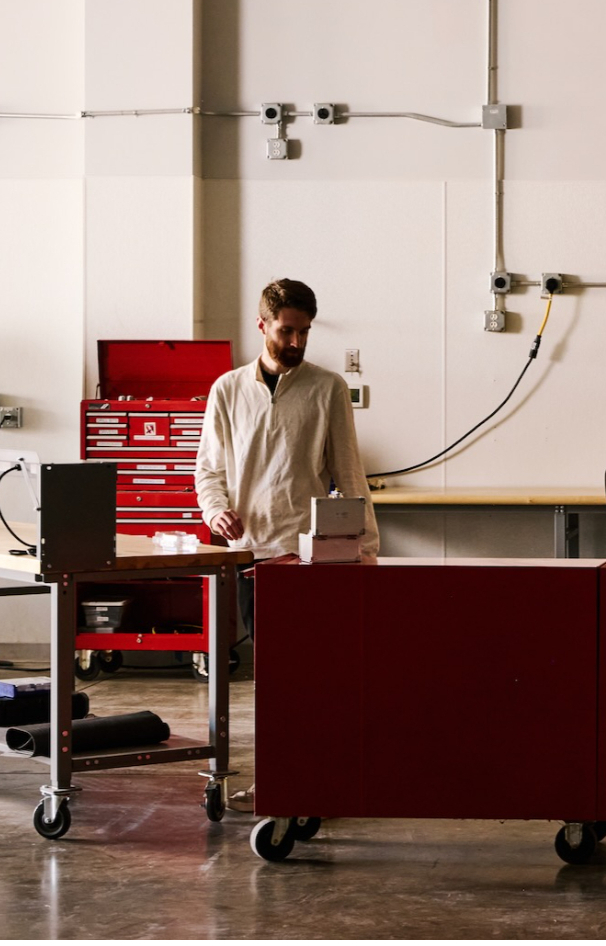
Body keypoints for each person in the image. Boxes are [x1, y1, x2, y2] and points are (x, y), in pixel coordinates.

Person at [194, 277, 377, 811]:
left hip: (312, 558)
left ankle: (322, 774)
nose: (296, 343)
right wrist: (214, 511)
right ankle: (281, 777)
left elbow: (349, 472)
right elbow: (209, 470)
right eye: (286, 331)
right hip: (253, 557)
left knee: (316, 677)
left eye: (304, 333)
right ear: (263, 325)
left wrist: (366, 545)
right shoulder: (227, 390)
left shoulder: (327, 388)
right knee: (271, 680)